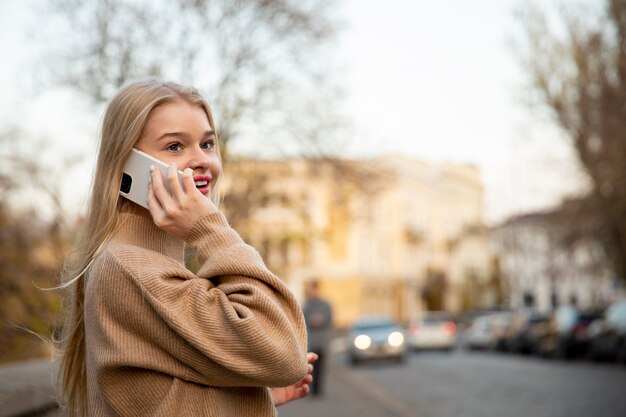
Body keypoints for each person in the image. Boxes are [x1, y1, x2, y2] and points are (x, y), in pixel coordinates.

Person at [56, 80, 317, 417]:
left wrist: (246, 394)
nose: (202, 160)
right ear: (127, 164)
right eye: (175, 147)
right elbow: (284, 352)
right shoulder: (129, 268)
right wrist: (209, 228)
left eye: (207, 143)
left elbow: (159, 395)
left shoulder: (147, 264)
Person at [302, 280, 333, 397]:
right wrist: (312, 320)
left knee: (321, 367)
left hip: (322, 340)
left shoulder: (325, 304)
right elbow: (303, 320)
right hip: (312, 341)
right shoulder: (307, 305)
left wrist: (321, 320)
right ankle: (312, 389)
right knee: (312, 367)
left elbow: (329, 318)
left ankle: (319, 390)